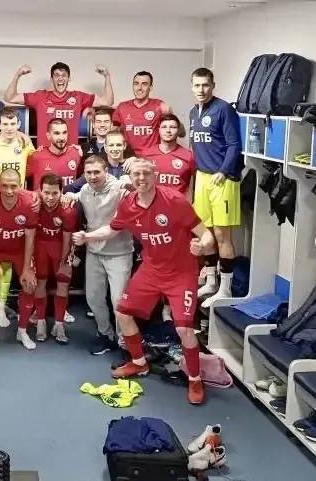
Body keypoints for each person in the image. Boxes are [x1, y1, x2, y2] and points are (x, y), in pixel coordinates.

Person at [72, 158, 215, 405]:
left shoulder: (174, 200)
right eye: (136, 174)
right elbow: (112, 229)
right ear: (130, 177)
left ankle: (194, 378)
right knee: (123, 313)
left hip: (181, 274)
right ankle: (139, 363)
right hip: (151, 270)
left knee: (184, 329)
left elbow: (207, 236)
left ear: (154, 175)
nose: (141, 179)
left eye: (146, 174)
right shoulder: (128, 204)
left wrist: (202, 247)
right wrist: (88, 236)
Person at [61, 155, 132, 355]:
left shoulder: (119, 189)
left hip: (119, 253)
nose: (92, 176)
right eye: (89, 173)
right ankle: (106, 335)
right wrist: (68, 196)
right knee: (93, 298)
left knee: (119, 302)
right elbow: (72, 195)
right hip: (94, 253)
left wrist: (131, 181)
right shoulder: (85, 190)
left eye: (97, 172)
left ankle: (125, 342)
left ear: (106, 171)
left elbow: (135, 190)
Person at [188, 67, 243, 307]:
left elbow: (234, 144)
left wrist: (223, 170)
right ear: (192, 87)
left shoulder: (223, 109)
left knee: (222, 235)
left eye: (205, 85)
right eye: (197, 85)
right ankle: (210, 281)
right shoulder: (193, 112)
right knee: (205, 233)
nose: (201, 89)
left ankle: (225, 288)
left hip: (222, 178)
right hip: (202, 177)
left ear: (213, 86)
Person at [0, 168, 38, 351]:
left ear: (21, 186)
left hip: (19, 251)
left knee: (29, 284)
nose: (9, 191)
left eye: (13, 186)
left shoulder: (29, 203)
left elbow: (30, 236)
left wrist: (27, 268)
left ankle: (22, 331)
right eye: (4, 186)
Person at [3, 62, 114, 146]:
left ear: (68, 78)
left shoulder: (78, 97)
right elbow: (10, 97)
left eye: (64, 75)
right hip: (45, 154)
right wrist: (18, 75)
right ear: (51, 79)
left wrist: (107, 76)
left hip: (70, 154)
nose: (60, 78)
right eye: (56, 75)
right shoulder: (40, 97)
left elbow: (108, 101)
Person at [33, 173, 78, 344]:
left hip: (61, 248)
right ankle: (41, 321)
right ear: (40, 191)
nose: (50, 197)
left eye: (55, 193)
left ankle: (59, 324)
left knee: (63, 283)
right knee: (40, 283)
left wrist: (65, 261)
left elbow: (68, 238)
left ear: (61, 192)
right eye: (46, 192)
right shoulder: (34, 204)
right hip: (40, 248)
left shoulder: (68, 210)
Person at [111, 71, 171, 155]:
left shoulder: (159, 106)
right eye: (136, 83)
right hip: (129, 157)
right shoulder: (122, 107)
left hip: (153, 156)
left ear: (151, 87)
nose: (139, 87)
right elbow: (112, 134)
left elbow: (181, 133)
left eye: (144, 84)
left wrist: (170, 113)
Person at [65, 128, 133, 193]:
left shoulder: (133, 166)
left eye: (118, 145)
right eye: (111, 145)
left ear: (124, 146)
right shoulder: (96, 167)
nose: (115, 149)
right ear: (105, 147)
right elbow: (72, 187)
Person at [143, 113, 196, 197]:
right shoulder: (146, 154)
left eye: (173, 127)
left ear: (178, 130)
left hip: (177, 204)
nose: (168, 130)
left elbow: (195, 186)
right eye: (164, 127)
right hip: (152, 203)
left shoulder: (189, 156)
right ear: (158, 130)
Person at [27, 118, 82, 190]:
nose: (62, 138)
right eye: (57, 133)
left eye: (64, 132)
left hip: (68, 197)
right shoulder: (36, 157)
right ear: (48, 136)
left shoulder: (76, 153)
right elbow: (20, 179)